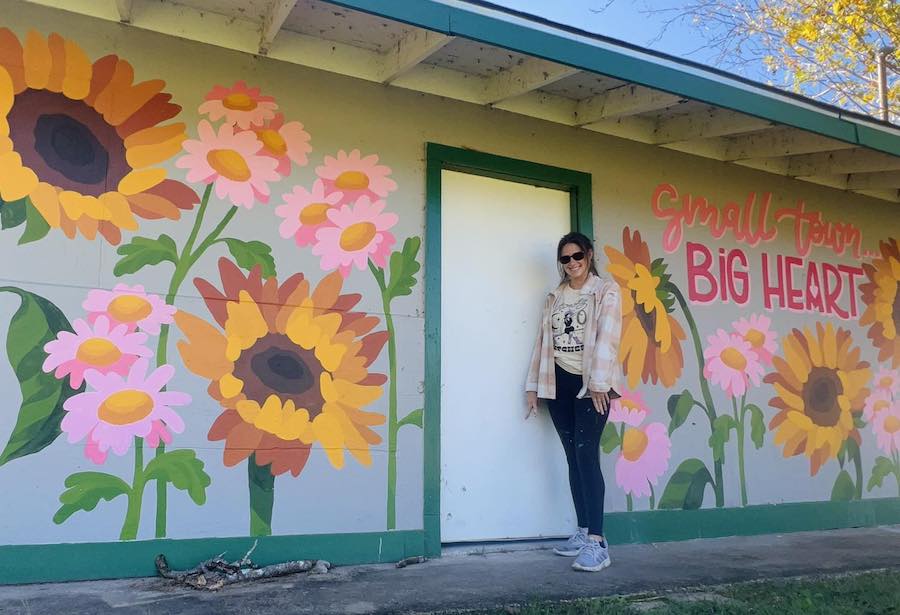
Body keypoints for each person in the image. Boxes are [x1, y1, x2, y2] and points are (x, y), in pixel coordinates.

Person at [525, 231, 623, 572]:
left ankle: (598, 542)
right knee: (573, 456)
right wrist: (532, 386)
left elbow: (608, 338)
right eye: (565, 258)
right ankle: (582, 532)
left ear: (589, 255)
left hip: (591, 385)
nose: (572, 263)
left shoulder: (606, 291)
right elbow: (542, 342)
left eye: (577, 256)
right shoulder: (555, 296)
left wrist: (599, 384)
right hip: (558, 383)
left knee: (587, 456)